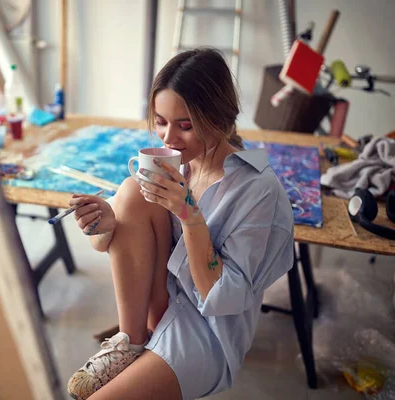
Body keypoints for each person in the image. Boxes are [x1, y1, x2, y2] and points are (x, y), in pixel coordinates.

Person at [66, 47, 294, 400]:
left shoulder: (258, 190)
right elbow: (105, 246)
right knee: (130, 192)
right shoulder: (177, 164)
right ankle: (130, 342)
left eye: (185, 125)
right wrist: (108, 223)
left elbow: (223, 299)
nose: (168, 138)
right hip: (157, 305)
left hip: (207, 332)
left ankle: (142, 348)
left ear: (219, 118)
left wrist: (190, 217)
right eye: (160, 121)